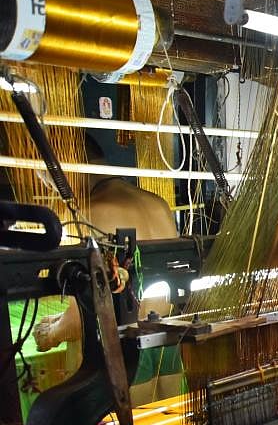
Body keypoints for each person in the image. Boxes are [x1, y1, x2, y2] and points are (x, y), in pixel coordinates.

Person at [33, 134, 177, 351]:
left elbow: (82, 319)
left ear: (64, 169)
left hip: (126, 353)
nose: (48, 186)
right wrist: (58, 319)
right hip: (168, 348)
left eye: (47, 178)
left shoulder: (91, 213)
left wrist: (52, 334)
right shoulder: (160, 204)